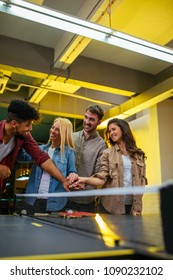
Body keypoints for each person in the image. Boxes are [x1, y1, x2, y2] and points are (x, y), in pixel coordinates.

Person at [72, 118, 147, 215]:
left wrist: (137, 206)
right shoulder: (107, 153)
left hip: (132, 207)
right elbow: (102, 178)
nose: (111, 133)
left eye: (114, 129)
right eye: (109, 131)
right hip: (110, 207)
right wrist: (84, 180)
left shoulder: (139, 155)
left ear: (123, 129)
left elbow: (142, 182)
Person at [0, 99, 73, 197]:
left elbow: (41, 157)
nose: (30, 128)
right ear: (14, 124)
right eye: (27, 125)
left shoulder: (24, 136)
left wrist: (63, 180)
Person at [18, 117, 78, 214]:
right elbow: (22, 157)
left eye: (57, 129)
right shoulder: (40, 149)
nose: (52, 131)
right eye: (52, 127)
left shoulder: (69, 152)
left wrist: (73, 175)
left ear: (64, 133)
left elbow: (72, 171)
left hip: (55, 203)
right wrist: (20, 138)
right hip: (34, 200)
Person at [66, 105, 107, 212]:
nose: (87, 121)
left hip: (85, 201)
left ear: (99, 122)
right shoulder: (71, 137)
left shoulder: (102, 145)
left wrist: (86, 181)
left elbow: (99, 174)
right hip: (64, 196)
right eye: (86, 117)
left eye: (92, 119)